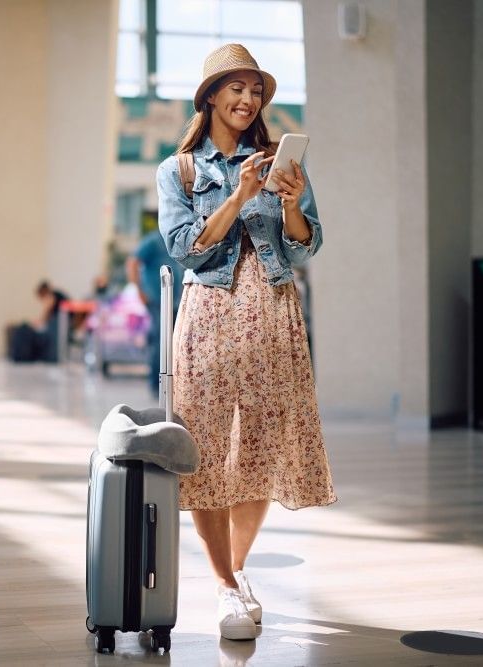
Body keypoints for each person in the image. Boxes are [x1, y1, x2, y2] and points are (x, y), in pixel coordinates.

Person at [155, 43, 336, 641]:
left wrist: (290, 204)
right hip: (208, 312)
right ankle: (225, 585)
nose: (248, 99)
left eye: (255, 91)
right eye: (236, 88)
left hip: (274, 311)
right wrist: (238, 194)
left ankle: (234, 573)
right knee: (205, 447)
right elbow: (185, 248)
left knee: (260, 447)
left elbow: (305, 247)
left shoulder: (277, 163)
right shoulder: (178, 171)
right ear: (210, 96)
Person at [126, 226, 184, 395]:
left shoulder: (176, 238)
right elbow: (132, 263)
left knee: (171, 342)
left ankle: (169, 386)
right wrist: (139, 291)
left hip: (173, 301)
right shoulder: (153, 240)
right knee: (161, 342)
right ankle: (157, 385)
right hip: (157, 299)